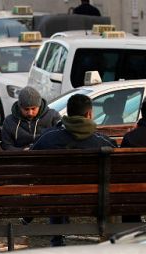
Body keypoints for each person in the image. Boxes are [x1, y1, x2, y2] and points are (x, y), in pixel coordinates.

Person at [32, 93, 116, 246]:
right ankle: (109, 238)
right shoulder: (102, 142)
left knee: (57, 187)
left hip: (55, 200)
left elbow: (30, 161)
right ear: (89, 114)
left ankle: (57, 239)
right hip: (97, 200)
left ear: (68, 113)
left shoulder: (48, 138)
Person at [0, 86, 60, 150]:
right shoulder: (9, 121)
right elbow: (6, 145)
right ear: (20, 107)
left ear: (39, 106)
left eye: (33, 109)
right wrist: (22, 151)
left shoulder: (53, 116)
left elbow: (60, 139)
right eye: (26, 109)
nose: (30, 113)